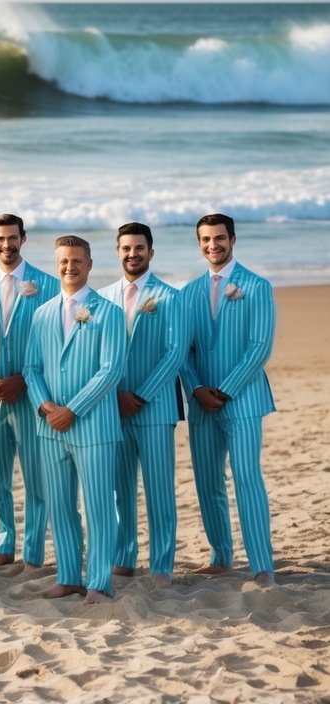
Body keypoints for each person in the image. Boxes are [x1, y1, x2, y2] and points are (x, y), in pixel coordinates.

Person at [24, 235, 125, 603]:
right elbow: (31, 368)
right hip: (49, 427)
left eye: (77, 261)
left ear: (90, 264)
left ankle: (99, 582)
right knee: (60, 506)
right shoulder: (42, 313)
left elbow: (111, 370)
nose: (70, 267)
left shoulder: (109, 312)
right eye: (63, 261)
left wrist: (73, 410)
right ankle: (68, 576)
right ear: (56, 263)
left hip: (94, 427)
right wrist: (45, 406)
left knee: (99, 507)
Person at [180, 213, 276, 586]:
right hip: (201, 400)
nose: (212, 245)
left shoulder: (257, 286)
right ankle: (221, 555)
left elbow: (260, 347)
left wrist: (226, 390)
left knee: (247, 478)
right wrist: (196, 387)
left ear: (232, 240)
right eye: (205, 239)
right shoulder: (187, 293)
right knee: (207, 481)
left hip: (244, 398)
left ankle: (262, 565)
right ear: (199, 243)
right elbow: (182, 350)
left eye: (219, 238)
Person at [0, 213, 59, 569]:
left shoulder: (47, 284)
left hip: (31, 396)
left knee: (36, 479)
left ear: (23, 239)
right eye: (0, 239)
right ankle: (4, 545)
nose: (7, 245)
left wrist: (24, 379)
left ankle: (32, 553)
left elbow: (53, 344)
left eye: (12, 238)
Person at [98, 222, 186, 584]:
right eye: (126, 248)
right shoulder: (100, 299)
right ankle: (124, 555)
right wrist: (115, 396)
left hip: (154, 408)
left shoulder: (170, 297)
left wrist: (142, 396)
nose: (132, 254)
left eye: (139, 248)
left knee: (159, 490)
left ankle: (162, 564)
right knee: (120, 489)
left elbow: (175, 353)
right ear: (117, 252)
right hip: (113, 409)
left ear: (151, 252)